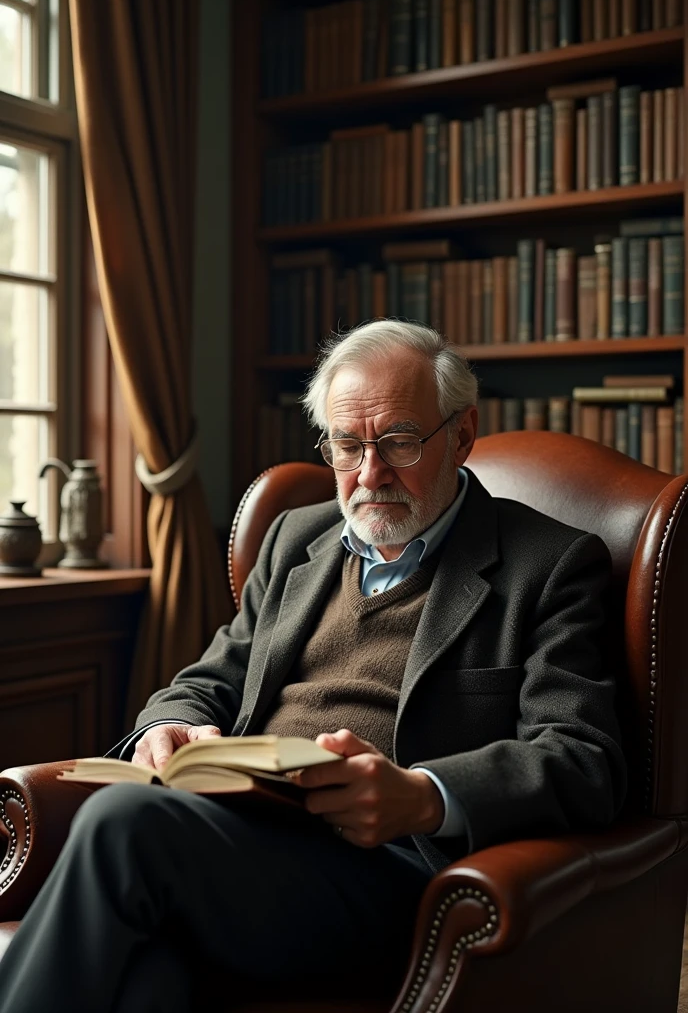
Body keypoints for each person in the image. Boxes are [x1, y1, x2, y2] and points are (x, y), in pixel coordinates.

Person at [0, 320, 626, 1012]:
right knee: (148, 976)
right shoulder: (297, 539)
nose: (369, 473)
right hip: (244, 838)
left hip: (392, 869)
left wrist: (419, 795)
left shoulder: (552, 565)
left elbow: (582, 759)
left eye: (398, 441)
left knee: (123, 826)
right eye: (348, 446)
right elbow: (207, 682)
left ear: (462, 433)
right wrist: (171, 728)